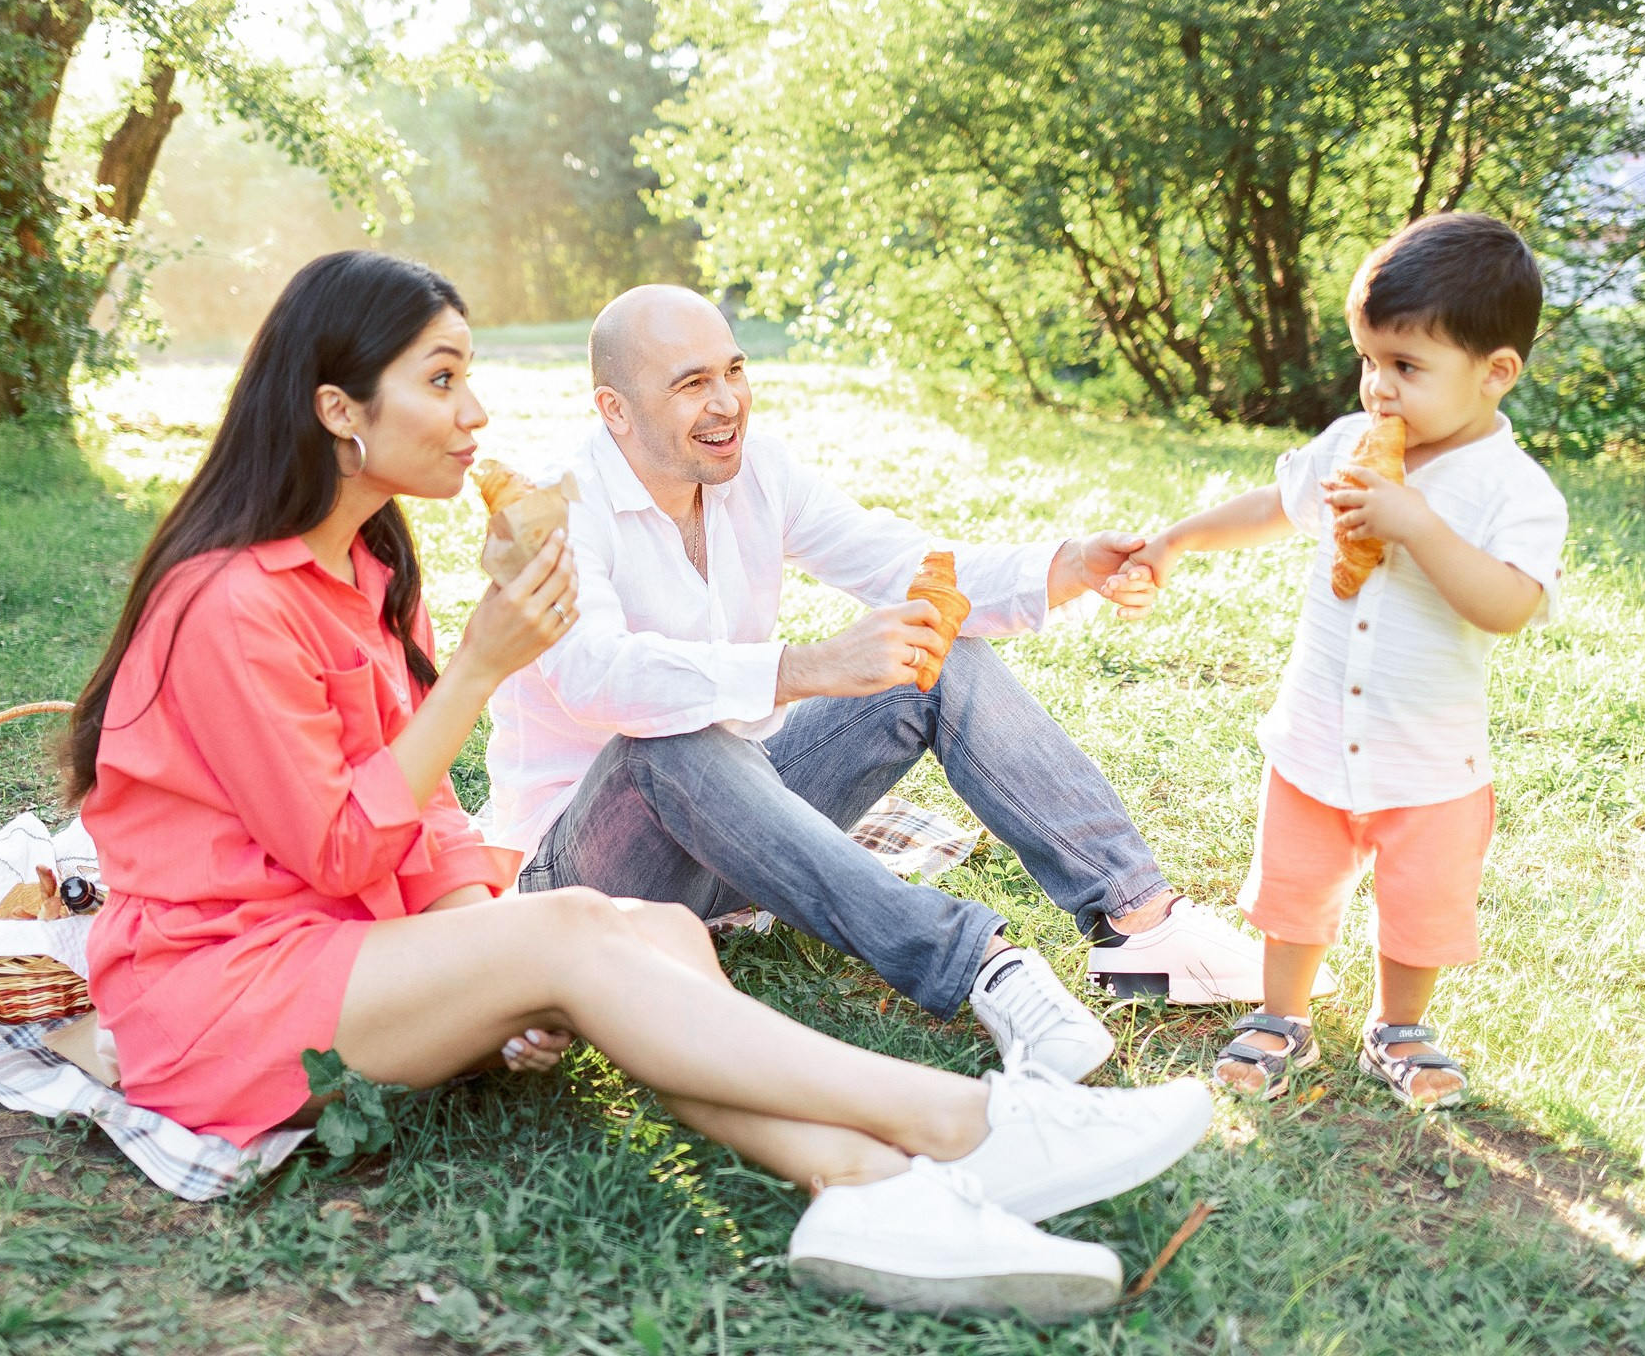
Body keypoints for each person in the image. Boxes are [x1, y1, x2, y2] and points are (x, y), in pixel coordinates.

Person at [64, 250, 1214, 1319]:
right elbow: (337, 845)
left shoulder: (368, 569)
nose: (477, 413)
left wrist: (480, 962)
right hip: (221, 995)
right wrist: (479, 676)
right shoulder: (228, 603)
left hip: (365, 953)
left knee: (659, 934)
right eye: (444, 378)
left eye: (469, 377)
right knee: (579, 917)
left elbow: (429, 816)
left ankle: (869, 1189)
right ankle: (975, 1121)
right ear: (338, 410)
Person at [486, 285, 1324, 1081]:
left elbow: (900, 563)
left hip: (744, 832)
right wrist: (806, 667)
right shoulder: (555, 509)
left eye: (735, 371)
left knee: (937, 644)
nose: (728, 402)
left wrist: (1061, 566)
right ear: (615, 410)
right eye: (693, 383)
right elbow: (598, 676)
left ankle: (1140, 921)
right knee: (668, 740)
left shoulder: (756, 472)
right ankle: (985, 969)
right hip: (592, 869)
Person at [1126, 213, 1569, 1107]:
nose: (1379, 388)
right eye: (1369, 361)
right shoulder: (1344, 446)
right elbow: (1273, 505)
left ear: (1495, 374)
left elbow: (1510, 604)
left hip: (1431, 756)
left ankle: (1398, 1027)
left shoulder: (1513, 490)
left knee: (1420, 905)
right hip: (1318, 730)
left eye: (1407, 368)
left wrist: (1416, 525)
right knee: (1295, 888)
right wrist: (1176, 539)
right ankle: (1282, 1013)